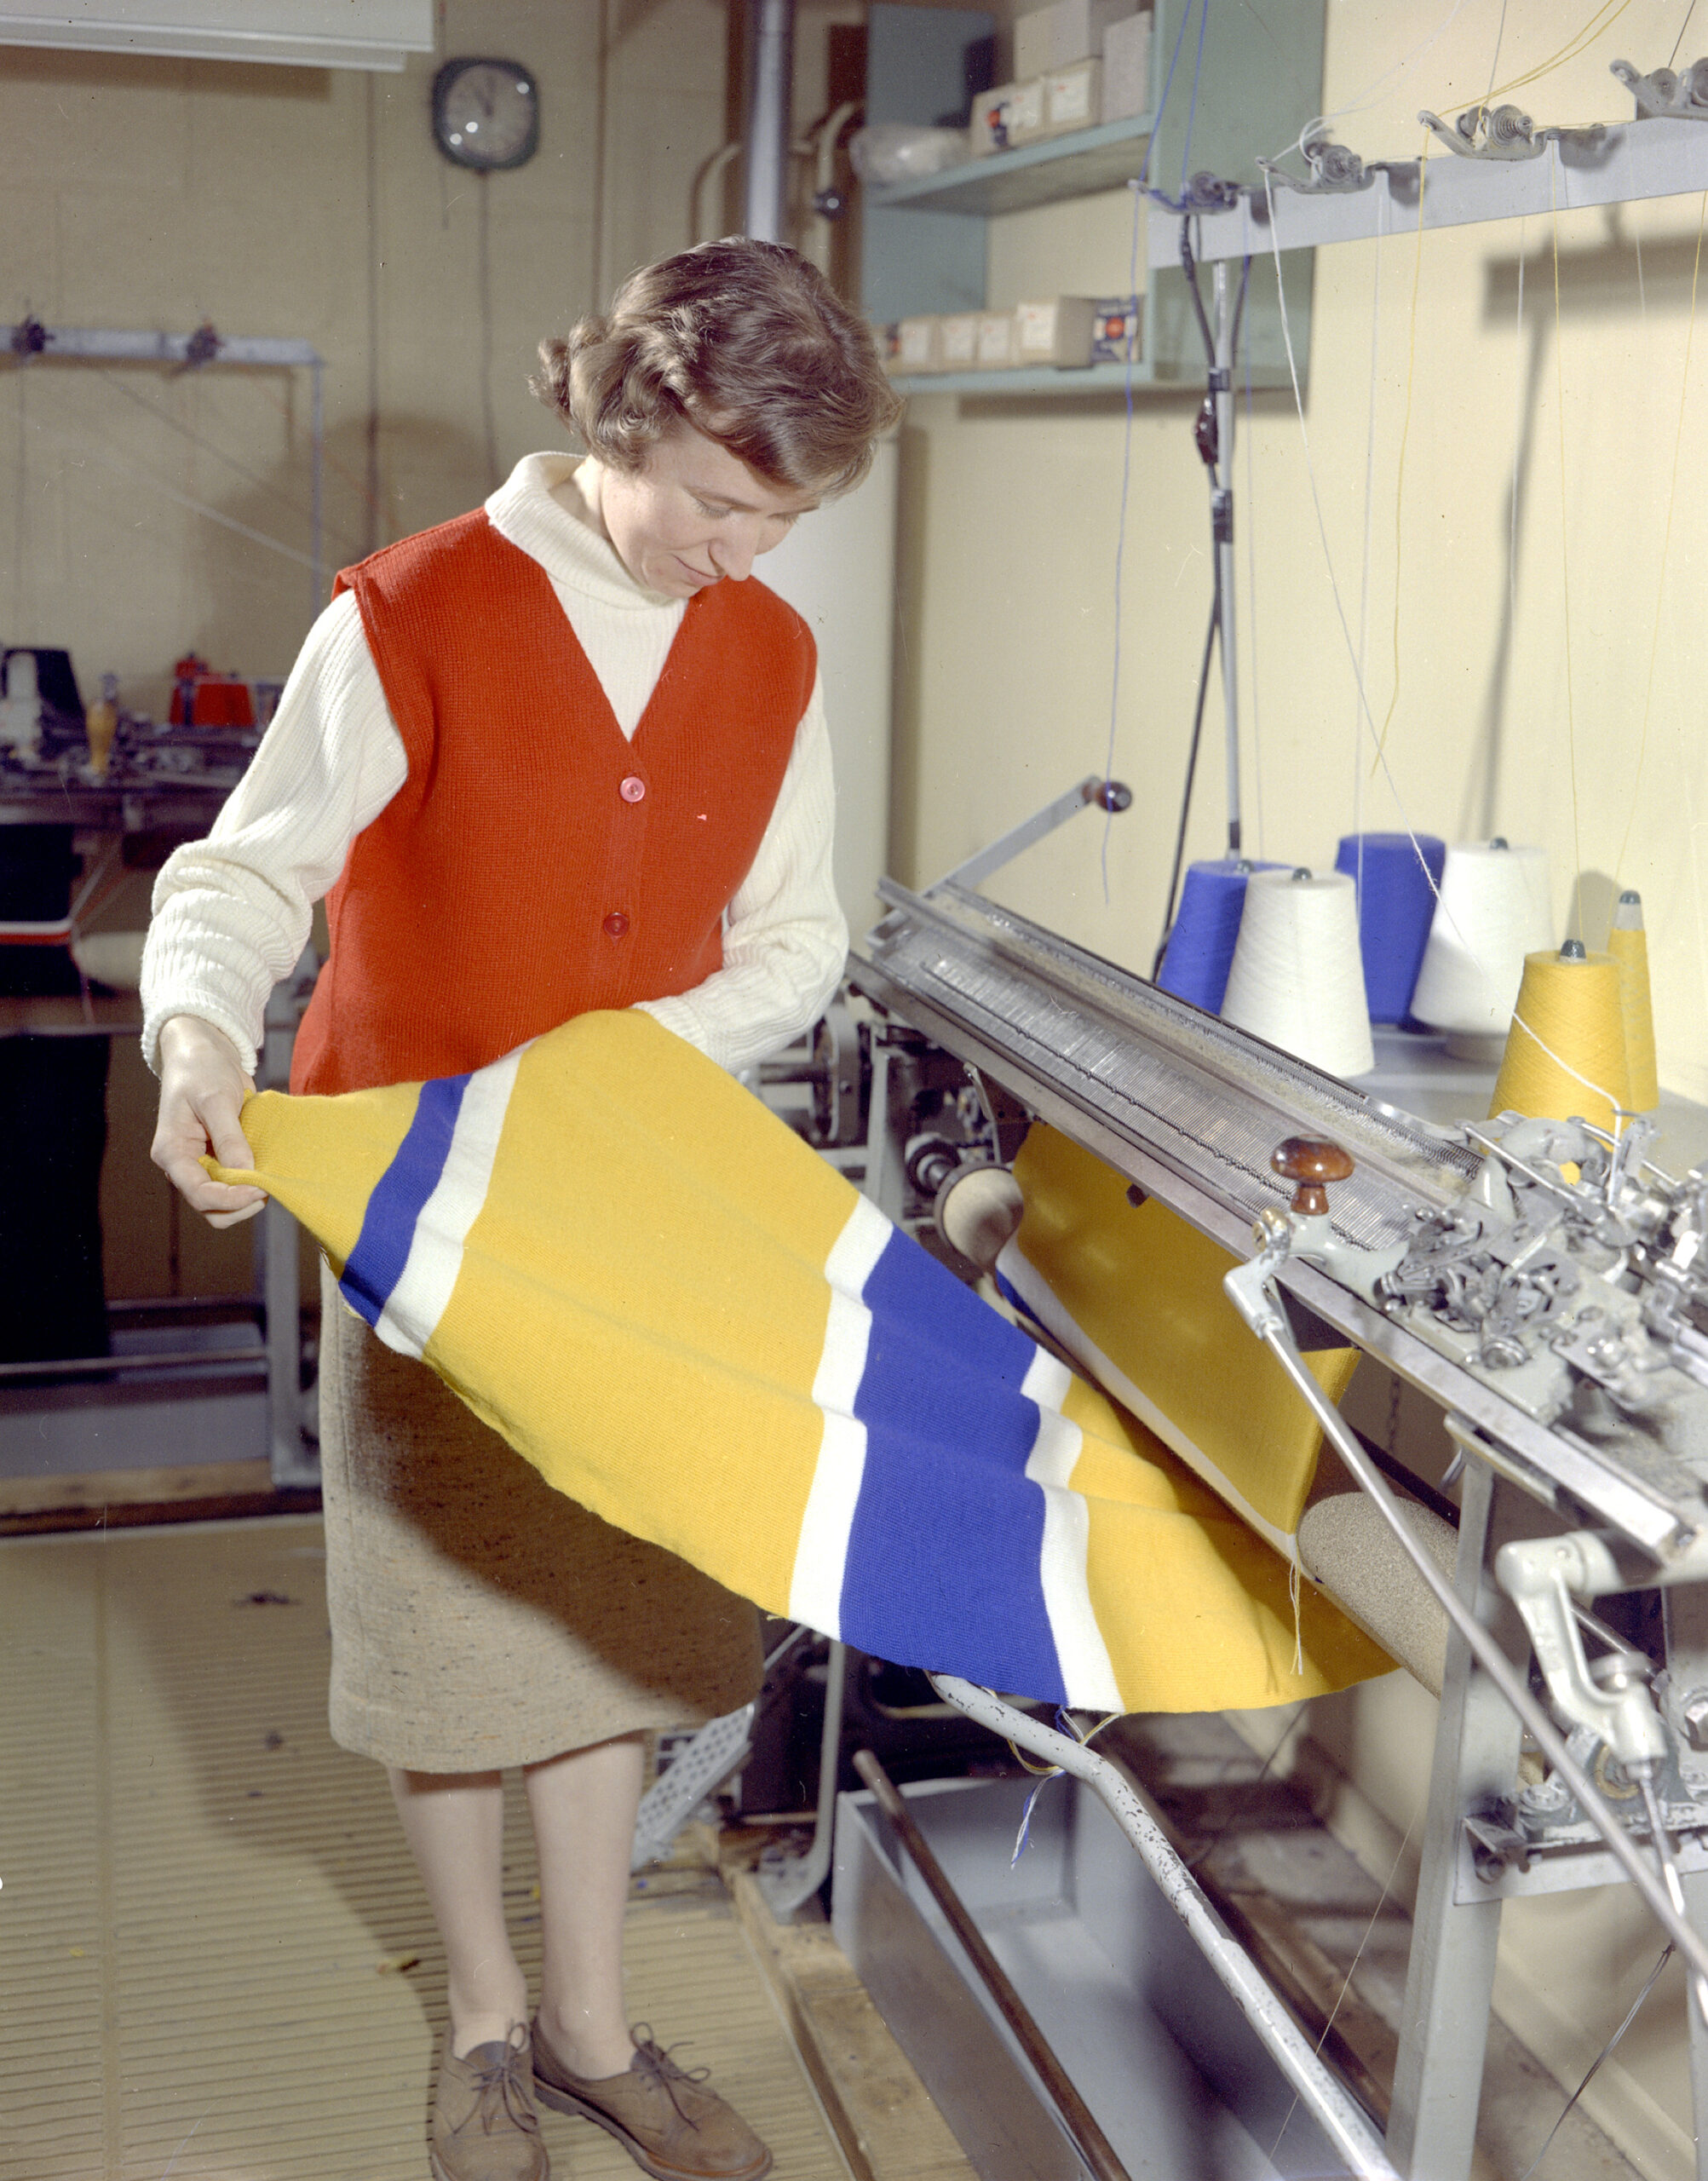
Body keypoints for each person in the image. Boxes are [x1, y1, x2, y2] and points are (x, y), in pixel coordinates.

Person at [141, 237, 902, 2181]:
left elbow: (798, 936)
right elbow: (243, 875)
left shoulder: (771, 650)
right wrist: (199, 1038)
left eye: (788, 520)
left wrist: (617, 1060)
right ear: (625, 422)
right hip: (421, 1208)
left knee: (606, 1619)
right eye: (724, 504)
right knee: (448, 1628)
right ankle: (484, 2026)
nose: (749, 553)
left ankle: (591, 2026)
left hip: (629, 1210)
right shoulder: (414, 612)